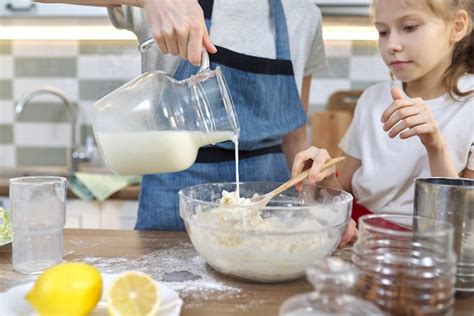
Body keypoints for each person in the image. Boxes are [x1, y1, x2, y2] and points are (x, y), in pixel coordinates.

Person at [37, 0, 327, 230]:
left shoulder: (303, 14)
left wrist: (322, 212)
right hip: (172, 200)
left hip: (271, 203)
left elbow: (295, 136)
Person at [292, 0, 474, 244]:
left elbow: (464, 222)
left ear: (458, 26)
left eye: (409, 27)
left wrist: (435, 145)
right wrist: (324, 178)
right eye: (383, 32)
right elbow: (343, 194)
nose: (392, 45)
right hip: (364, 246)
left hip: (435, 252)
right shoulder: (372, 99)